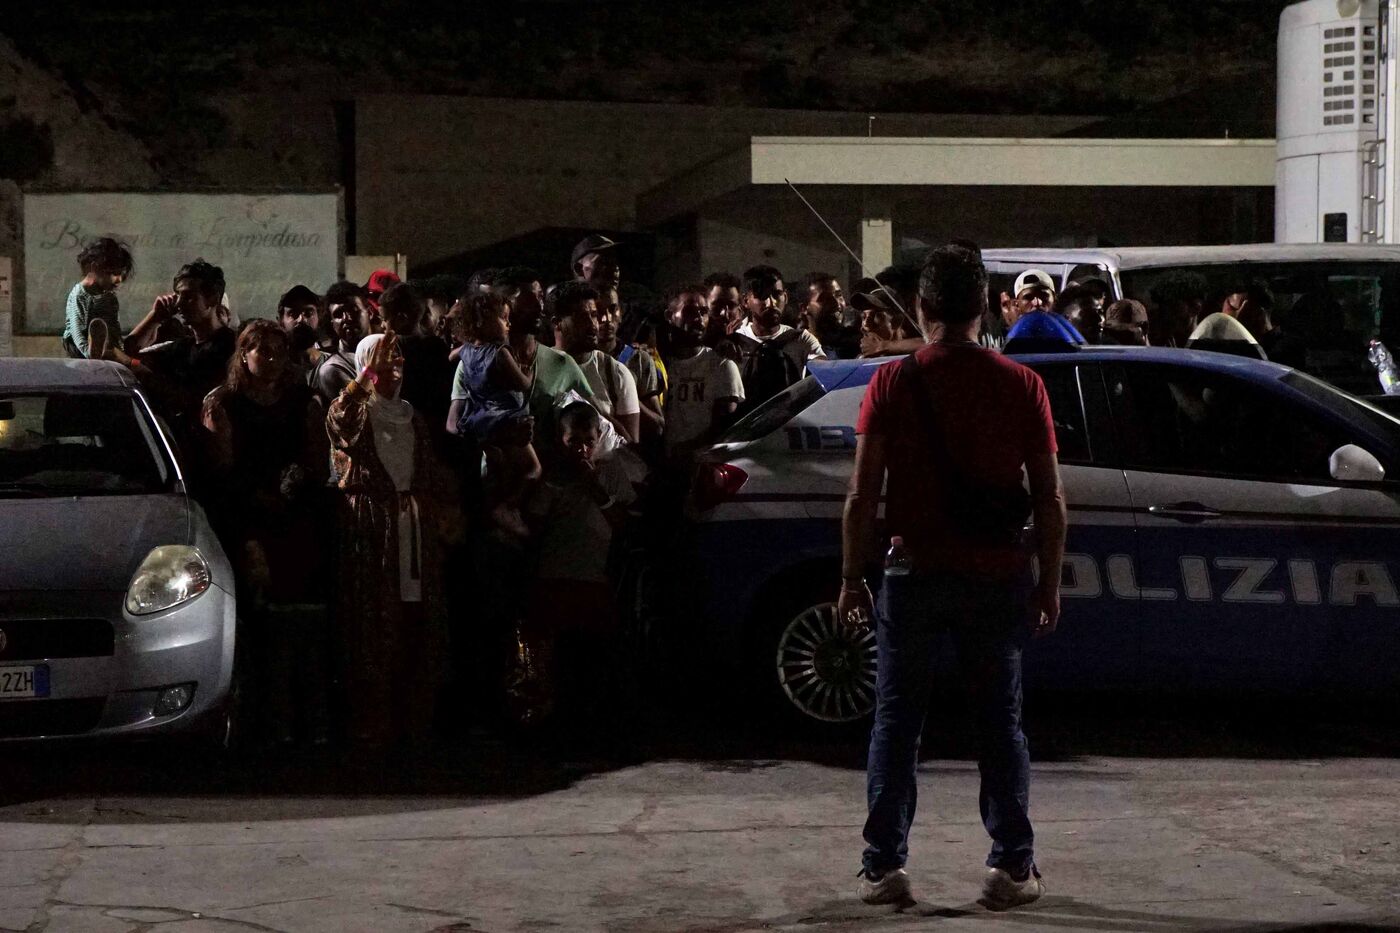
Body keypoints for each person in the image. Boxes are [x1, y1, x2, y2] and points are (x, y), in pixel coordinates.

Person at [839, 243, 1066, 910]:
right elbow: (1050, 498)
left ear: (921, 307)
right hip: (996, 576)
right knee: (1000, 725)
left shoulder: (892, 383)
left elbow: (861, 496)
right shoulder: (1022, 384)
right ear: (985, 307)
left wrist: (851, 576)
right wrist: (1048, 583)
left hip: (911, 574)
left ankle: (884, 868)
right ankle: (1011, 867)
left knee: (896, 724)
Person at [202, 321, 330, 746]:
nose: (273, 359)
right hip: (247, 517)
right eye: (264, 351)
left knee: (300, 619)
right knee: (256, 621)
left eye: (279, 351)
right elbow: (221, 469)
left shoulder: (302, 401)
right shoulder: (225, 403)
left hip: (295, 518)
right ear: (244, 354)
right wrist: (256, 500)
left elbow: (317, 461)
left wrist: (296, 484)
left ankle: (305, 719)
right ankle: (259, 723)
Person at [327, 331, 456, 750]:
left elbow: (426, 471)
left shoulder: (412, 416)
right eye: (384, 356)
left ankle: (414, 719)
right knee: (375, 619)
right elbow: (340, 421)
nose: (393, 362)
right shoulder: (358, 412)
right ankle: (373, 720)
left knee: (416, 617)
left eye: (397, 355)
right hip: (373, 526)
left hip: (413, 525)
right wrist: (367, 375)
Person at [522, 399, 636, 722]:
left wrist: (596, 489)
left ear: (599, 439)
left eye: (589, 441)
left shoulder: (610, 472)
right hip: (556, 578)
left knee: (593, 656)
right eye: (574, 442)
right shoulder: (553, 476)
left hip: (594, 579)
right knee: (560, 658)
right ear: (561, 440)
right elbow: (535, 525)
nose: (582, 449)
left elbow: (624, 523)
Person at [448, 275, 594, 466]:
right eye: (528, 301)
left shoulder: (562, 363)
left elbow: (596, 420)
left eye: (540, 298)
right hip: (495, 474)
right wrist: (500, 434)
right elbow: (453, 424)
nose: (539, 308)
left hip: (552, 476)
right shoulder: (471, 363)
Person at [456, 291, 541, 537]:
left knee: (499, 471)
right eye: (504, 318)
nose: (508, 324)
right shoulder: (500, 353)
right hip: (507, 419)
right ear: (482, 321)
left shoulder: (466, 351)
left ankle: (496, 516)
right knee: (533, 469)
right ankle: (508, 507)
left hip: (481, 420)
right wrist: (529, 372)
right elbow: (523, 384)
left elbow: (453, 355)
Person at [552, 281, 641, 444]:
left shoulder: (616, 373)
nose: (593, 325)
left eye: (593, 315)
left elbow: (629, 447)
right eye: (581, 317)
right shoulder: (540, 368)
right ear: (557, 322)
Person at [662, 287, 745, 460]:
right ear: (669, 316)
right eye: (690, 312)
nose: (699, 319)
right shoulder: (660, 364)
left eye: (703, 312)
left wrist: (688, 450)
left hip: (701, 464)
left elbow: (725, 427)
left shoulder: (721, 365)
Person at [732, 265, 825, 410]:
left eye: (777, 294)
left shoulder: (801, 339)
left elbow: (824, 374)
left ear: (785, 297)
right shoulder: (737, 340)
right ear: (745, 301)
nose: (772, 303)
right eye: (762, 296)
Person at [379, 282, 453, 428]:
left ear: (401, 318)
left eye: (384, 319)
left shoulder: (393, 350)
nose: (382, 325)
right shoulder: (438, 346)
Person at [599, 285, 664, 443]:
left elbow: (658, 425)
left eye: (612, 309)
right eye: (598, 312)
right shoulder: (577, 360)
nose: (607, 318)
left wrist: (627, 395)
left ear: (620, 314)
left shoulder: (638, 360)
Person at [63, 237, 133, 359]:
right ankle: (94, 350)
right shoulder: (80, 294)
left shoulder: (110, 297)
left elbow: (114, 327)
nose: (119, 280)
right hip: (81, 348)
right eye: (113, 273)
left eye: (121, 274)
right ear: (95, 267)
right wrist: (88, 352)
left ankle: (102, 350)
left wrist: (121, 350)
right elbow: (77, 332)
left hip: (104, 345)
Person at [313, 281, 378, 403]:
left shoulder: (392, 349)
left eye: (353, 310)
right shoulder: (332, 369)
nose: (346, 318)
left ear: (370, 313)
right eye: (338, 314)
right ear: (332, 323)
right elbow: (364, 406)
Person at [803, 272, 859, 359]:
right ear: (804, 308)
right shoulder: (797, 349)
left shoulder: (857, 343)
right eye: (825, 298)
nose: (836, 303)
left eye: (838, 295)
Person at [1149, 271, 1207, 348]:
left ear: (1195, 308)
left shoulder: (1207, 347)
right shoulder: (1157, 340)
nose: (1165, 314)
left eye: (1172, 306)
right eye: (1162, 306)